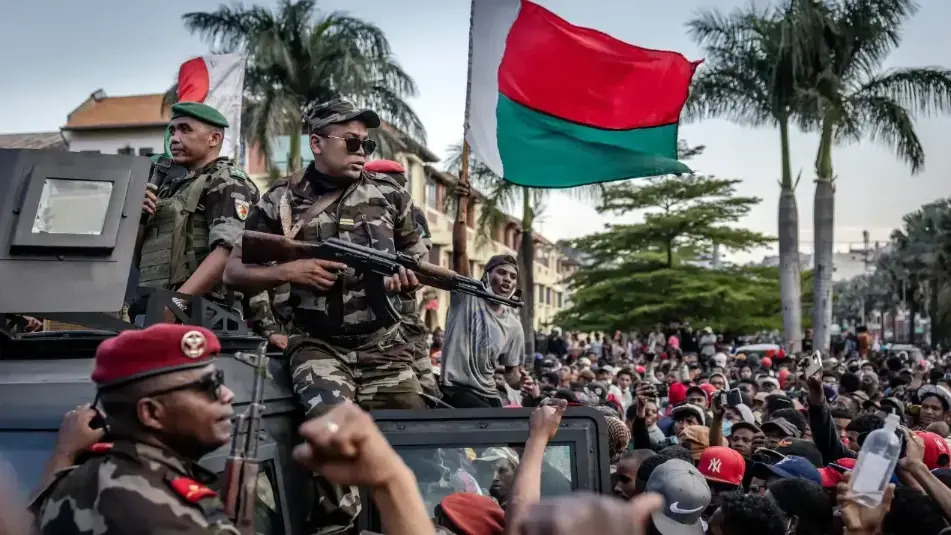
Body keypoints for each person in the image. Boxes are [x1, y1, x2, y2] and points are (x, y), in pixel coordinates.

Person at [224, 98, 430, 533]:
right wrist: (290, 269)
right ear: (317, 143)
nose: (361, 150)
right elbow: (234, 270)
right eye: (351, 141)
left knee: (416, 451)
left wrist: (408, 279)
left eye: (367, 143)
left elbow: (419, 260)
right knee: (331, 441)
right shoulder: (281, 200)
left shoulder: (391, 196)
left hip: (385, 347)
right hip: (319, 346)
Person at [30, 324, 240, 534]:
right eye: (209, 386)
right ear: (150, 412)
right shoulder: (182, 521)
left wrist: (64, 453)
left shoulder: (70, 486)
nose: (228, 394)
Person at [136, 102, 259, 322]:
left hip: (205, 312)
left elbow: (227, 251)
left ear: (214, 139)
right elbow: (141, 259)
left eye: (185, 129)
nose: (174, 138)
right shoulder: (171, 187)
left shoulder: (227, 180)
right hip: (159, 304)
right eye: (173, 131)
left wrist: (176, 305)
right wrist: (140, 218)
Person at [438, 179, 524, 408]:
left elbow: (512, 375)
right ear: (487, 276)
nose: (507, 279)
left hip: (488, 391)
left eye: (512, 277)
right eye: (501, 273)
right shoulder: (468, 296)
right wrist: (462, 204)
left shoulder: (514, 325)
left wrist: (522, 382)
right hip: (456, 389)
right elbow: (459, 251)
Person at [363, 158, 441, 401]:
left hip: (402, 308)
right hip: (360, 315)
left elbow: (420, 260)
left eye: (399, 185)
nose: (397, 191)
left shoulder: (412, 213)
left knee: (424, 384)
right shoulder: (356, 209)